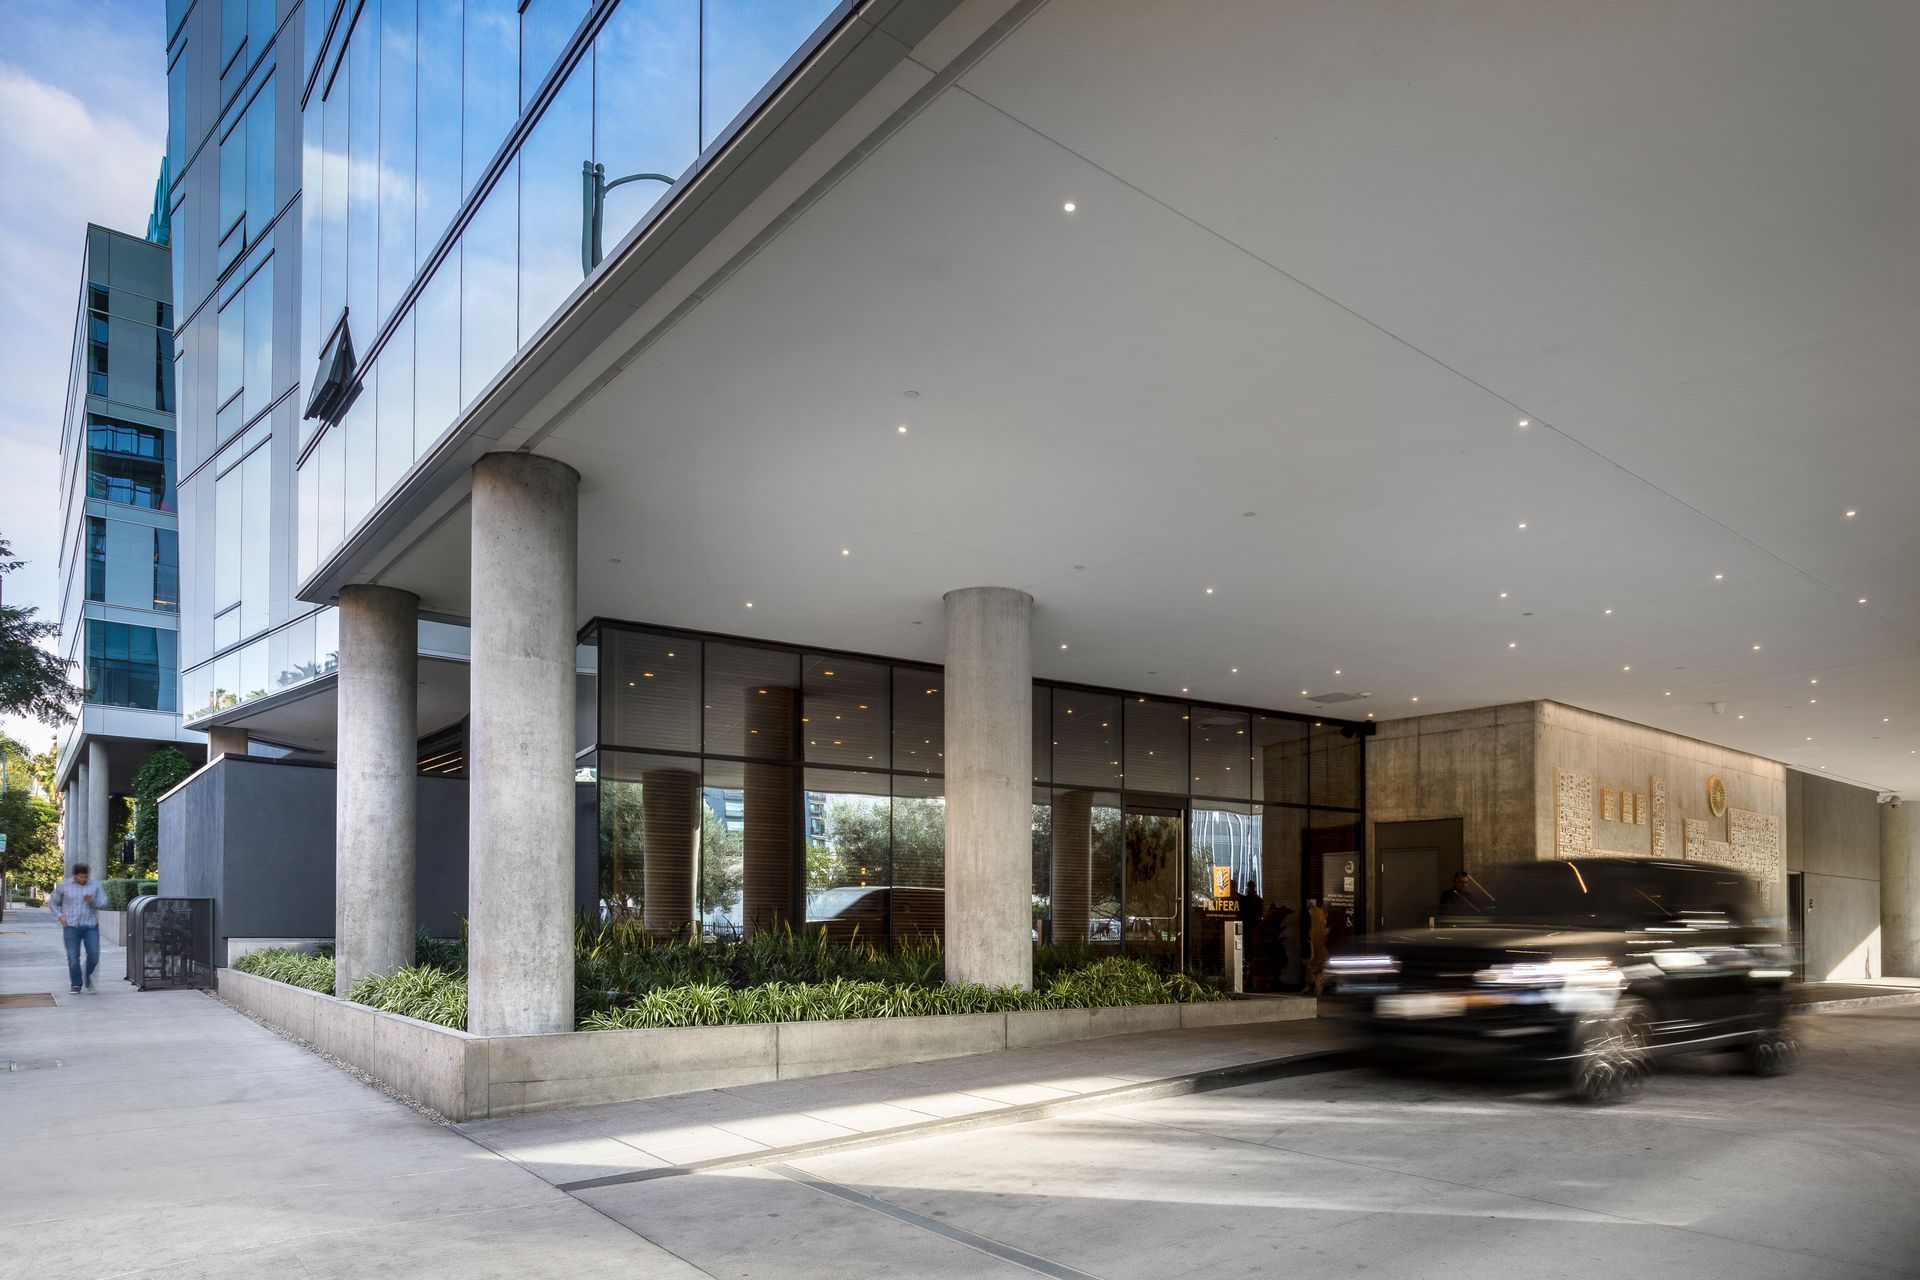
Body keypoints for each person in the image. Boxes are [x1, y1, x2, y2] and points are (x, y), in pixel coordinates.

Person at [48, 863, 107, 994]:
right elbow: (52, 902)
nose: (83, 879)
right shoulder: (63, 885)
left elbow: (104, 901)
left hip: (90, 925)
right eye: (80, 877)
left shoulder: (95, 884)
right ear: (75, 875)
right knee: (73, 957)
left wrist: (93, 901)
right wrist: (60, 916)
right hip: (71, 926)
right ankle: (76, 984)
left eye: (85, 877)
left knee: (94, 954)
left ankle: (87, 976)